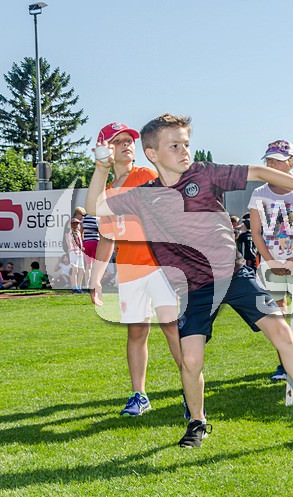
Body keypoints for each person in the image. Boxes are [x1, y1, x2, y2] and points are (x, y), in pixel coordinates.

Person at [86, 113, 293, 447]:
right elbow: (95, 207)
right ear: (152, 154)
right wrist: (101, 168)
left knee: (282, 334)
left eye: (186, 144)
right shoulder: (144, 196)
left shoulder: (203, 173)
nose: (184, 151)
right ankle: (197, 422)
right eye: (174, 146)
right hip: (194, 289)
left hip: (235, 274)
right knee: (191, 360)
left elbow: (259, 172)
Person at [87, 121, 184, 418]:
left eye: (129, 140)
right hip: (130, 272)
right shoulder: (105, 192)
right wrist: (96, 278)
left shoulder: (144, 175)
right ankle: (139, 395)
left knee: (171, 328)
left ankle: (190, 389)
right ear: (105, 149)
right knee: (137, 332)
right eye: (118, 141)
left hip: (159, 267)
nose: (127, 145)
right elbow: (107, 239)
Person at [248, 139, 293, 382]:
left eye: (277, 161)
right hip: (270, 264)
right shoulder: (259, 194)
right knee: (278, 316)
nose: (272, 165)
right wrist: (270, 261)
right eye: (269, 160)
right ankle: (284, 363)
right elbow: (256, 232)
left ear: (291, 163)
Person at [65, 207, 86, 293]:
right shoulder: (70, 231)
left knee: (82, 270)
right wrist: (69, 247)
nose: (76, 225)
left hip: (79, 252)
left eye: (77, 224)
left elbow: (81, 239)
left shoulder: (78, 231)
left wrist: (82, 247)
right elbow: (67, 236)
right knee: (75, 269)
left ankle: (79, 287)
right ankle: (75, 287)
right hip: (73, 251)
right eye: (74, 224)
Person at [82, 212, 100, 288]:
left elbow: (81, 232)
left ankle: (87, 285)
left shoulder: (83, 219)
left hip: (86, 243)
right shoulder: (97, 219)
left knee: (88, 266)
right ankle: (94, 284)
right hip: (95, 243)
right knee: (95, 265)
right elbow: (100, 232)